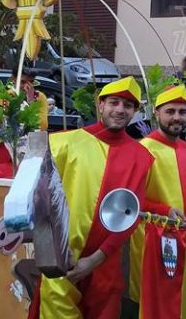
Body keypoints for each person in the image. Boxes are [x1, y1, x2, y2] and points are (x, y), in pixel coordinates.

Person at [29, 77, 155, 319]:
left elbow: (130, 216)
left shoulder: (142, 157)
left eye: (128, 105)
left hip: (104, 263)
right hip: (60, 257)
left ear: (135, 112)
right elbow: (37, 195)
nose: (120, 110)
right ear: (101, 105)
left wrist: (95, 260)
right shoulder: (63, 142)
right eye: (114, 102)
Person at [129, 85, 186, 319]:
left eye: (182, 111)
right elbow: (131, 201)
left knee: (182, 299)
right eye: (170, 111)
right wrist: (164, 210)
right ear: (157, 113)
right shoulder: (142, 149)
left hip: (184, 236)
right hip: (153, 237)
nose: (176, 117)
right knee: (159, 305)